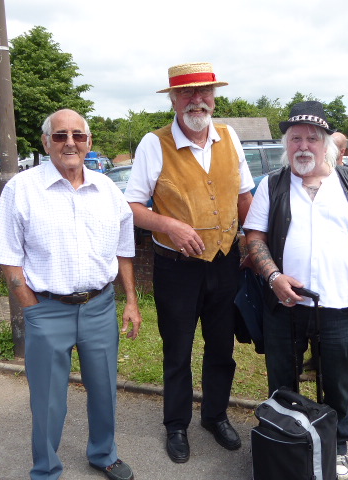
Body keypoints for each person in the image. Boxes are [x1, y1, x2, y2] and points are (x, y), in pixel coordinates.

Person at [0, 109, 142, 480]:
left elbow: (124, 250)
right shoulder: (22, 189)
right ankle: (46, 469)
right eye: (60, 136)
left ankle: (103, 454)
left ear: (89, 142)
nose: (70, 143)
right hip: (47, 309)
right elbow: (8, 257)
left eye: (78, 135)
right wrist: (32, 309)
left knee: (104, 390)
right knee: (48, 400)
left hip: (100, 307)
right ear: (46, 142)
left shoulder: (107, 189)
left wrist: (131, 301)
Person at [243, 101, 348, 480]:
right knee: (282, 378)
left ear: (326, 145)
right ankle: (283, 438)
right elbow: (254, 238)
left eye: (311, 138)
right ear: (286, 144)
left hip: (341, 306)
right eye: (295, 139)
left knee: (339, 382)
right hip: (284, 306)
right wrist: (274, 277)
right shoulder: (271, 185)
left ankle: (337, 444)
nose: (303, 146)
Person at [124, 62, 254, 464]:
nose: (197, 100)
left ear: (214, 97)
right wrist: (169, 225)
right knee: (177, 350)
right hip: (176, 269)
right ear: (174, 100)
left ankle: (215, 416)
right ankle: (176, 425)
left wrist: (253, 244)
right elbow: (132, 206)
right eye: (187, 93)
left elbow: (245, 197)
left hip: (225, 263)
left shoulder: (230, 137)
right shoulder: (153, 143)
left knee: (222, 348)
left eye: (204, 92)